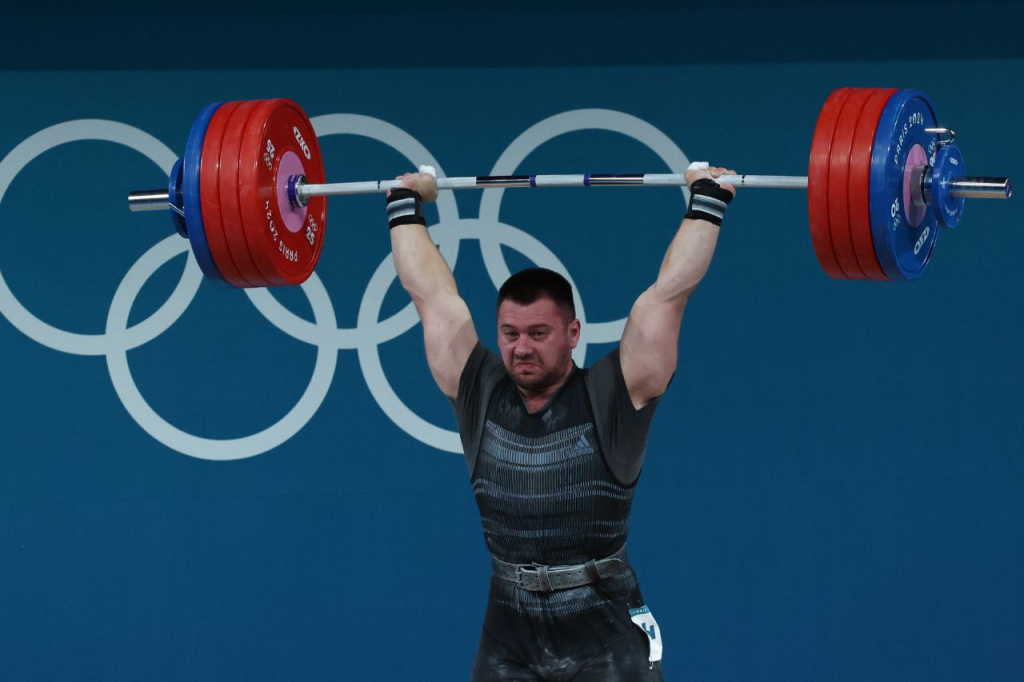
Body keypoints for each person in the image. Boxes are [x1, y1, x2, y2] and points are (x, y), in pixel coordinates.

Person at [387, 163, 736, 681]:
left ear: (573, 332)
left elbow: (668, 293)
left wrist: (708, 200)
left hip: (606, 626)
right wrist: (404, 205)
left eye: (538, 333)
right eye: (509, 333)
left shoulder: (616, 392)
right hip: (510, 626)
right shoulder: (477, 388)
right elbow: (432, 296)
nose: (520, 347)